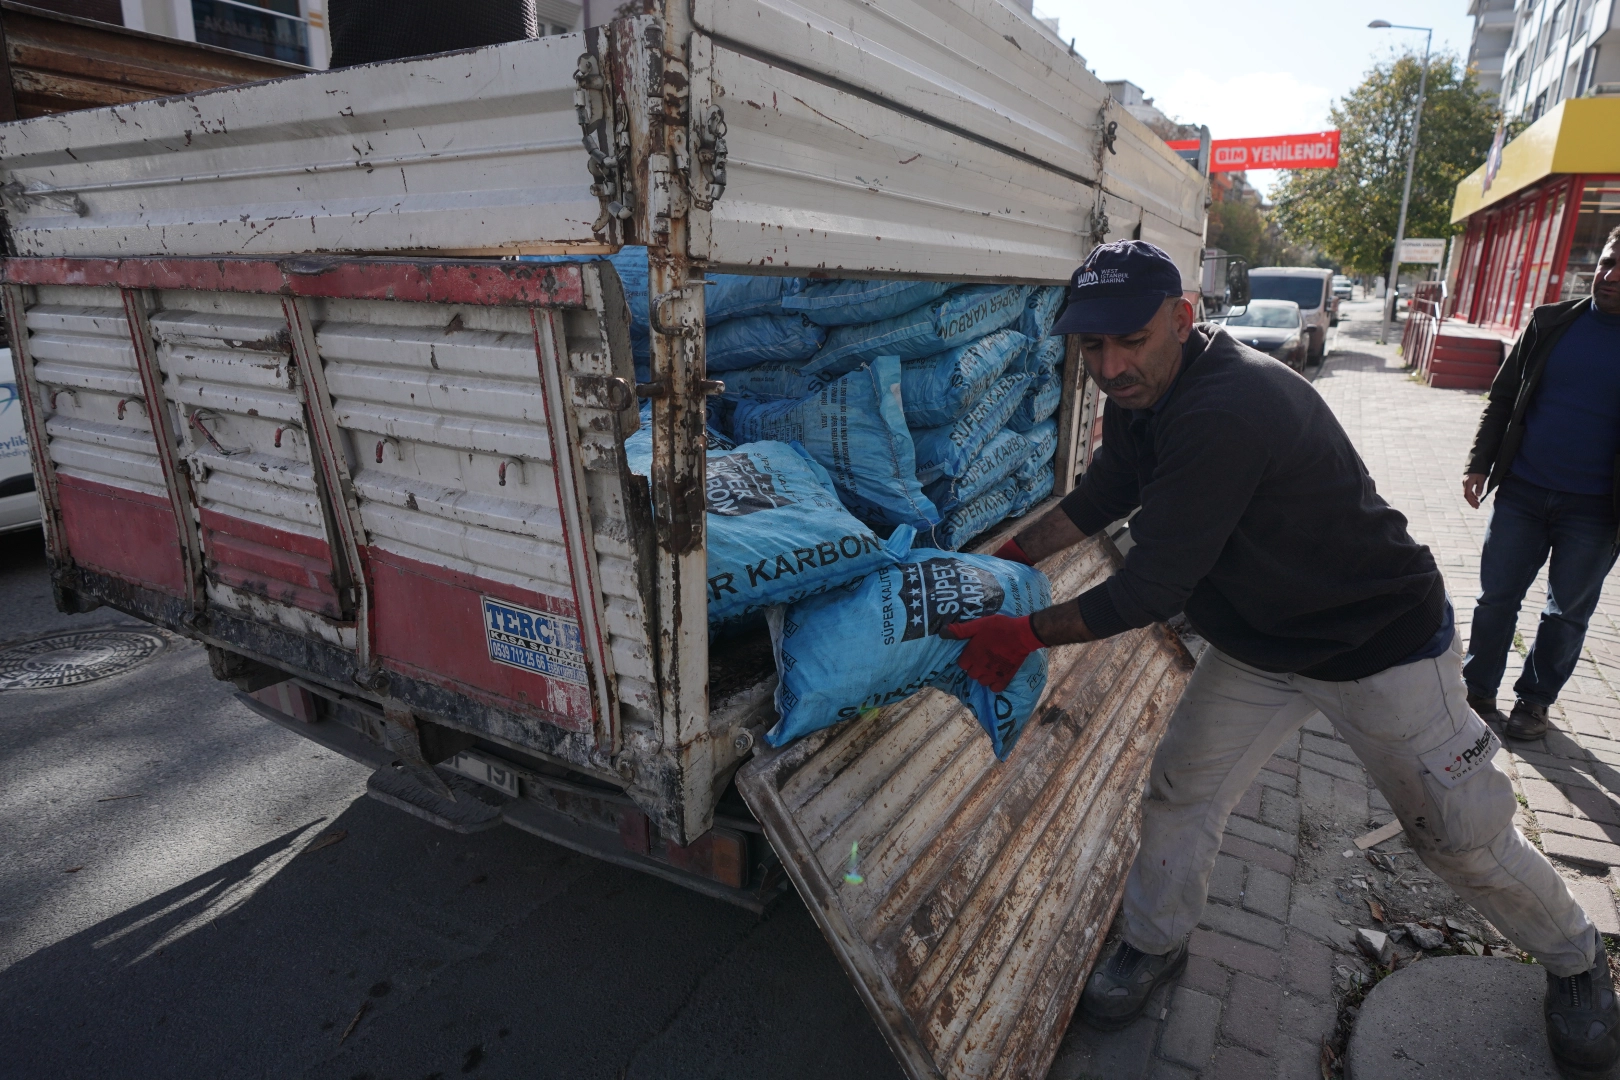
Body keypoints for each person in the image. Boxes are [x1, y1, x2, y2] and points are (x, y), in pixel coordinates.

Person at [942, 240, 1617, 1076]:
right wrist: (1009, 556)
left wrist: (1023, 632)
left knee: (1458, 837)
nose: (1111, 366)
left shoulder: (1226, 407)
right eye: (1092, 347)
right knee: (1182, 788)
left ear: (1183, 321)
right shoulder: (1141, 394)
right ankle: (1153, 944)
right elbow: (1103, 494)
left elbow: (1149, 590)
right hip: (1264, 644)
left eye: (1130, 341)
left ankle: (1577, 960)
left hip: (1380, 645)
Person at [1461, 226, 1620, 742]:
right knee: (1495, 599)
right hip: (1524, 491)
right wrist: (1478, 464)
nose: (1611, 276)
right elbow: (1503, 398)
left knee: (1567, 613)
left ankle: (1533, 701)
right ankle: (1475, 689)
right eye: (1607, 262)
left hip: (1597, 509)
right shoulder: (1551, 322)